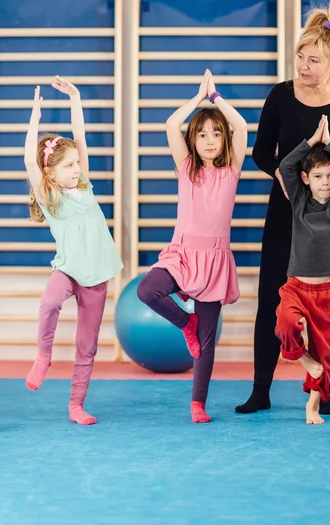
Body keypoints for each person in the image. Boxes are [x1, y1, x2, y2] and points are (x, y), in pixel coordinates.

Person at [236, 2, 330, 415]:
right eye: (299, 57)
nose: (303, 65)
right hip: (286, 214)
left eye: (313, 60)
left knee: (327, 309)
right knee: (272, 301)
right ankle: (260, 390)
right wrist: (283, 178)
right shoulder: (281, 96)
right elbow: (262, 152)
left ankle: (326, 392)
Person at [137, 69, 247, 423]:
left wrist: (217, 100)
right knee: (147, 290)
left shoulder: (231, 170)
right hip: (182, 253)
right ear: (193, 141)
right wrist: (198, 99)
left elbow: (242, 127)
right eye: (202, 134)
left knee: (207, 339)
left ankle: (198, 403)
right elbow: (171, 124)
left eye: (216, 133)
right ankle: (185, 322)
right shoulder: (186, 167)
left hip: (214, 259)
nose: (210, 139)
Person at [25, 77, 123, 425]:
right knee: (49, 302)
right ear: (49, 173)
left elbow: (79, 138)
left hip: (97, 274)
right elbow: (28, 160)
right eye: (68, 166)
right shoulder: (50, 197)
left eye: (77, 163)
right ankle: (43, 357)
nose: (77, 169)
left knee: (88, 344)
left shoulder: (84, 185)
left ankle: (76, 405)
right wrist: (35, 119)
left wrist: (76, 99)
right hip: (68, 269)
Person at [275, 114, 330, 424]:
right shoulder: (298, 199)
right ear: (307, 178)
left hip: (327, 292)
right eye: (318, 176)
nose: (325, 182)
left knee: (325, 355)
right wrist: (313, 141)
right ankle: (298, 354)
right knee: (285, 323)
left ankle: (312, 405)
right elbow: (285, 167)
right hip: (297, 285)